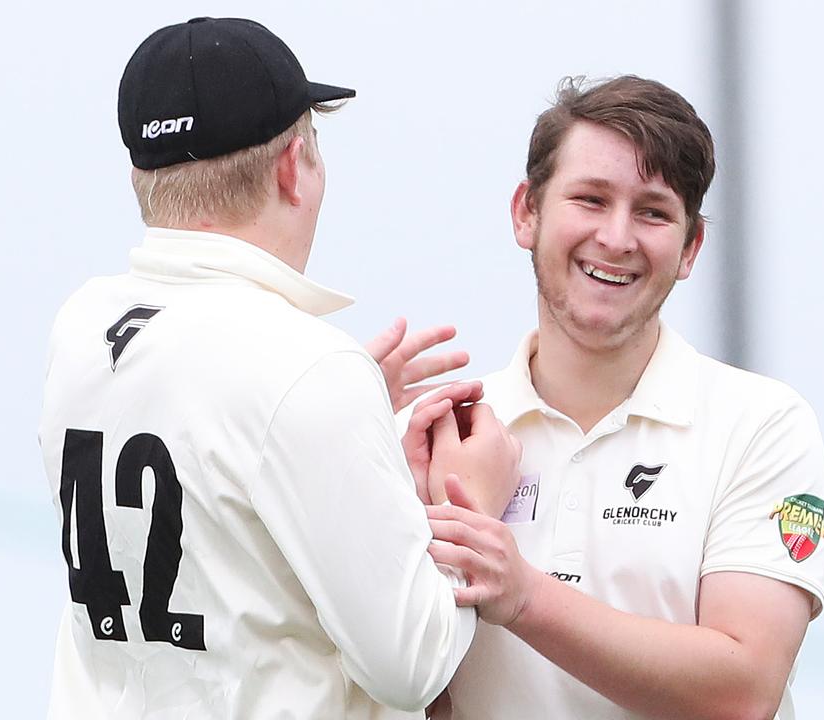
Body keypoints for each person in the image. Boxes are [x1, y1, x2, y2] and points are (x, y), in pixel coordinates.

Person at [37, 17, 519, 719]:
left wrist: (349, 423)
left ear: (141, 174)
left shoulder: (79, 326)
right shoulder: (306, 368)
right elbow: (411, 664)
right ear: (293, 167)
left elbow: (207, 488)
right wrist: (464, 501)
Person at [417, 75, 824, 719]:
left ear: (690, 247)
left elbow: (744, 691)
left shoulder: (763, 426)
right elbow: (399, 684)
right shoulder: (441, 434)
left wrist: (523, 594)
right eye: (590, 198)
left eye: (653, 211)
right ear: (527, 212)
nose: (616, 238)